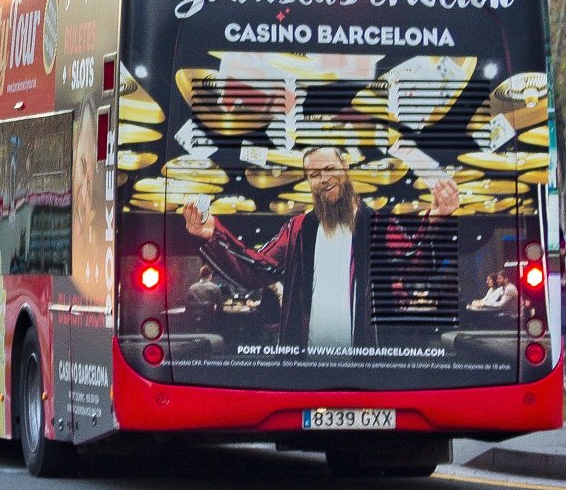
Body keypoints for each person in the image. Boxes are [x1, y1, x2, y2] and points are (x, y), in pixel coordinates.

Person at [184, 143, 460, 350]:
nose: (323, 178)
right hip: (307, 360)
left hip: (364, 359)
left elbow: (413, 266)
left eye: (329, 169)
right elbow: (256, 269)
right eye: (314, 174)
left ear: (346, 170)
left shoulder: (376, 224)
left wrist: (434, 221)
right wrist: (215, 235)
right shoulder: (297, 229)